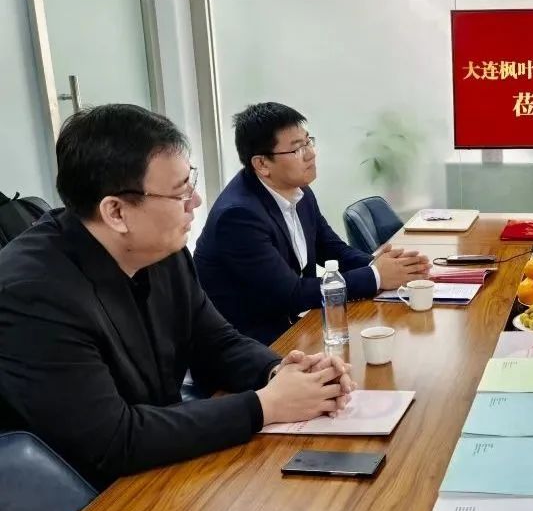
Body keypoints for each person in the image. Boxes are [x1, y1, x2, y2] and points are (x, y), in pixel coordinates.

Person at [0, 104, 358, 490]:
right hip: (85, 498)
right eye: (180, 192)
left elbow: (215, 342)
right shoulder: (33, 293)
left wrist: (282, 372)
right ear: (116, 212)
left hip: (162, 464)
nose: (196, 201)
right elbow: (113, 439)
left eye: (191, 182)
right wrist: (266, 405)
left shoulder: (161, 249)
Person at [195, 102, 430, 345]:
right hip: (248, 345)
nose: (311, 154)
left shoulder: (298, 191)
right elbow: (291, 294)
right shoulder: (238, 217)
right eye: (297, 149)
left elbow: (332, 249)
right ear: (262, 164)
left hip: (292, 330)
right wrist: (376, 276)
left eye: (308, 142)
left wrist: (387, 265)